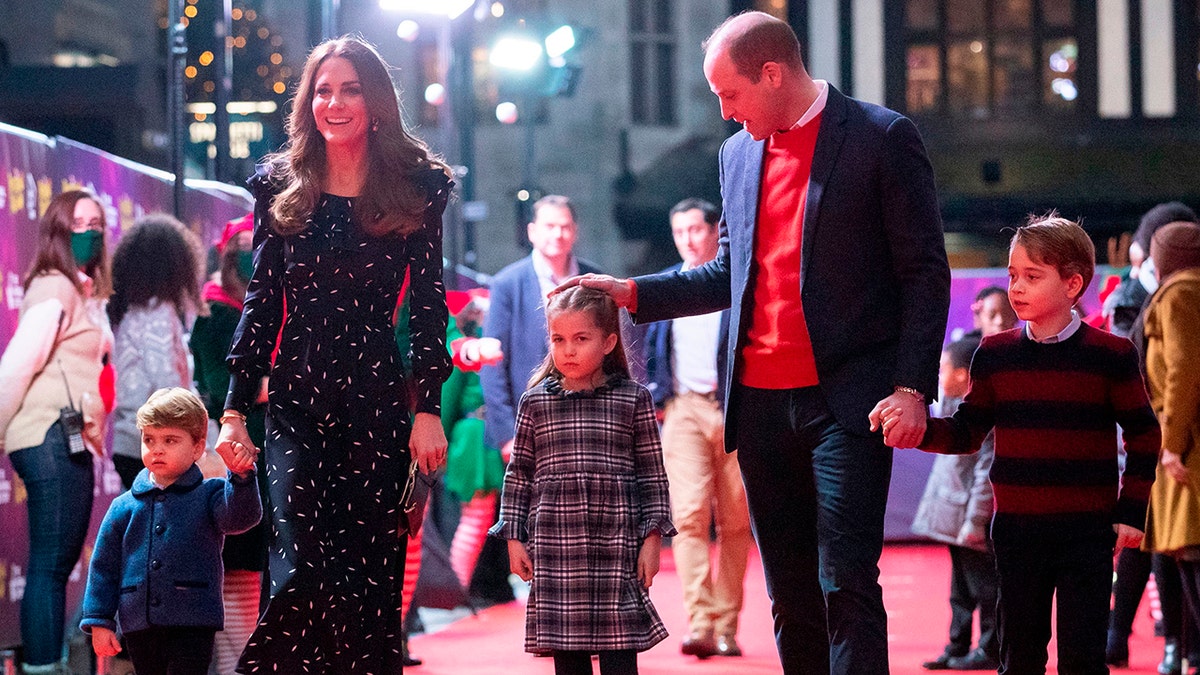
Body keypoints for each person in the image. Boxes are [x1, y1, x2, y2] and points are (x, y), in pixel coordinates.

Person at [561, 11, 950, 673]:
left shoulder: (883, 137)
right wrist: (633, 291)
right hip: (761, 408)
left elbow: (924, 270)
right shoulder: (737, 153)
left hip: (847, 402)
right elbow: (727, 274)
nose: (723, 110)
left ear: (772, 74)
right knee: (788, 590)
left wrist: (912, 386)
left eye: (730, 93)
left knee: (847, 580)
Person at [214, 36, 453, 673]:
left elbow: (429, 307)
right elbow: (263, 301)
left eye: (349, 89)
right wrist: (235, 411)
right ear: (307, 102)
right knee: (296, 570)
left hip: (377, 402)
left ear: (374, 102)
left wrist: (426, 407)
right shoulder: (278, 185)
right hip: (296, 399)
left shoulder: (419, 188)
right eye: (322, 90)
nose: (335, 102)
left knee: (368, 587)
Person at [882, 214, 1161, 674]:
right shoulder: (994, 355)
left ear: (1073, 284)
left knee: (1083, 658)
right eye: (1013, 275)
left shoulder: (1111, 355)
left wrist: (1131, 512)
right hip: (1015, 533)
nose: (1017, 288)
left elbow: (1145, 433)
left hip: (1087, 533)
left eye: (1033, 277)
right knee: (1018, 656)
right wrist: (920, 431)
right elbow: (967, 431)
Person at [490, 285, 676, 675]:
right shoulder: (536, 402)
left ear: (608, 342)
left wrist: (652, 540)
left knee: (620, 656)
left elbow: (653, 476)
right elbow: (519, 474)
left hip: (617, 545)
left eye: (581, 339)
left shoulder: (633, 399)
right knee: (568, 659)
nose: (568, 350)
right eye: (559, 339)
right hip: (556, 548)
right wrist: (513, 538)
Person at [0, 189, 113, 675]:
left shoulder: (78, 288)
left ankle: (47, 665)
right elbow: (17, 365)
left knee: (56, 566)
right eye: (78, 223)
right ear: (57, 232)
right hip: (47, 432)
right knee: (48, 567)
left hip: (65, 437)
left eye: (97, 223)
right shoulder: (54, 286)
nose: (89, 232)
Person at [79, 387, 261, 675]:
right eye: (149, 439)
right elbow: (104, 568)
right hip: (138, 623)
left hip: (193, 622)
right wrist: (100, 620)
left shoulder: (211, 494)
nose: (157, 449)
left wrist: (241, 478)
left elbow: (241, 518)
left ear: (198, 447)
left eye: (170, 440)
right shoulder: (122, 507)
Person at [644, 198, 751, 659]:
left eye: (695, 230)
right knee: (686, 518)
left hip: (735, 409)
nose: (688, 240)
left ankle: (727, 625)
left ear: (715, 232)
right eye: (679, 232)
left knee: (736, 521)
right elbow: (648, 346)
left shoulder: (737, 281)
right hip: (683, 410)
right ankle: (701, 622)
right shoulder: (670, 285)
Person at [188, 213, 270, 675]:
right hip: (233, 457)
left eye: (255, 242)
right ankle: (234, 667)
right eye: (240, 243)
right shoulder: (214, 312)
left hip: (268, 455)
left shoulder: (268, 308)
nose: (249, 251)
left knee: (253, 570)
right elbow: (219, 387)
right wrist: (279, 384)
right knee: (236, 566)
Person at [911, 334, 999, 671]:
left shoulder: (984, 418)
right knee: (959, 591)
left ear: (963, 376)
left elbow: (985, 475)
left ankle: (990, 648)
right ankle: (956, 644)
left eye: (943, 369)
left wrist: (975, 523)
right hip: (952, 516)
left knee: (986, 589)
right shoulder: (951, 406)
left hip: (969, 520)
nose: (939, 376)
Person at [1141, 222, 1200, 674]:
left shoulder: (1181, 292)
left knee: (1191, 552)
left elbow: (1183, 370)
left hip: (1187, 444)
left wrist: (1172, 444)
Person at [109, 213, 204, 488]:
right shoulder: (157, 315)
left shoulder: (134, 313)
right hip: (157, 445)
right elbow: (169, 387)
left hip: (136, 441)